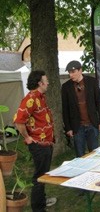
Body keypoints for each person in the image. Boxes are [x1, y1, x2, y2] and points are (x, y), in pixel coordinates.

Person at [13, 70, 56, 212]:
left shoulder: (41, 97)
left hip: (46, 144)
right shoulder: (30, 98)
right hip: (38, 145)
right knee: (39, 177)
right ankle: (38, 208)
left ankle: (42, 200)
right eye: (46, 80)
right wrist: (27, 137)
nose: (48, 82)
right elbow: (19, 121)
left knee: (43, 175)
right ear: (40, 83)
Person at [61, 60, 100, 157]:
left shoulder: (92, 82)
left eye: (73, 72)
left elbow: (98, 102)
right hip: (77, 126)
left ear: (80, 70)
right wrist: (68, 128)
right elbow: (65, 109)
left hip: (92, 123)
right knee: (80, 155)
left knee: (95, 154)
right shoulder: (66, 87)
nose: (71, 75)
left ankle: (95, 171)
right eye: (69, 72)